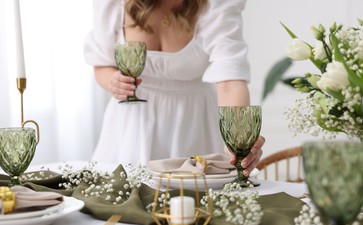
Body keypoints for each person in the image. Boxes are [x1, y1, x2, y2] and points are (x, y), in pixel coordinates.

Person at [84, 0, 265, 177]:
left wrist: (239, 138)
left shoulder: (217, 4)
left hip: (194, 125)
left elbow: (230, 82)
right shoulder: (112, 4)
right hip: (129, 129)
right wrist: (112, 82)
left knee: (195, 201)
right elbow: (101, 64)